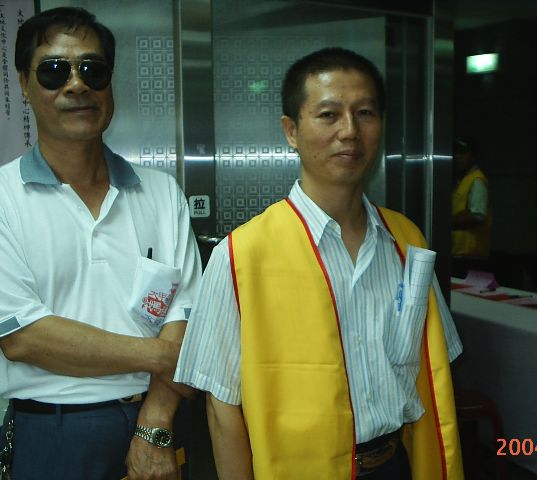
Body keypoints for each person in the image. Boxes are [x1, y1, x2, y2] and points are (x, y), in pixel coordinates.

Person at [175, 47, 463, 480]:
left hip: (396, 463)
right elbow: (221, 408)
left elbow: (433, 365)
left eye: (365, 113)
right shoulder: (242, 255)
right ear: (291, 131)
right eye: (328, 115)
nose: (350, 131)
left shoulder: (406, 241)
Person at [0, 7, 201, 480]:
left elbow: (186, 319)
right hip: (50, 433)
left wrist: (155, 424)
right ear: (24, 84)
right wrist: (163, 356)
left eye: (93, 70)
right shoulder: (4, 197)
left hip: (158, 418)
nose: (76, 85)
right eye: (54, 71)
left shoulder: (161, 193)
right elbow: (22, 336)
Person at [451, 136, 492, 277]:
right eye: (456, 153)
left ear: (473, 157)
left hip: (472, 257)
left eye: (463, 153)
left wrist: (450, 223)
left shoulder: (477, 180)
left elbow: (478, 215)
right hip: (460, 254)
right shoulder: (463, 180)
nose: (458, 157)